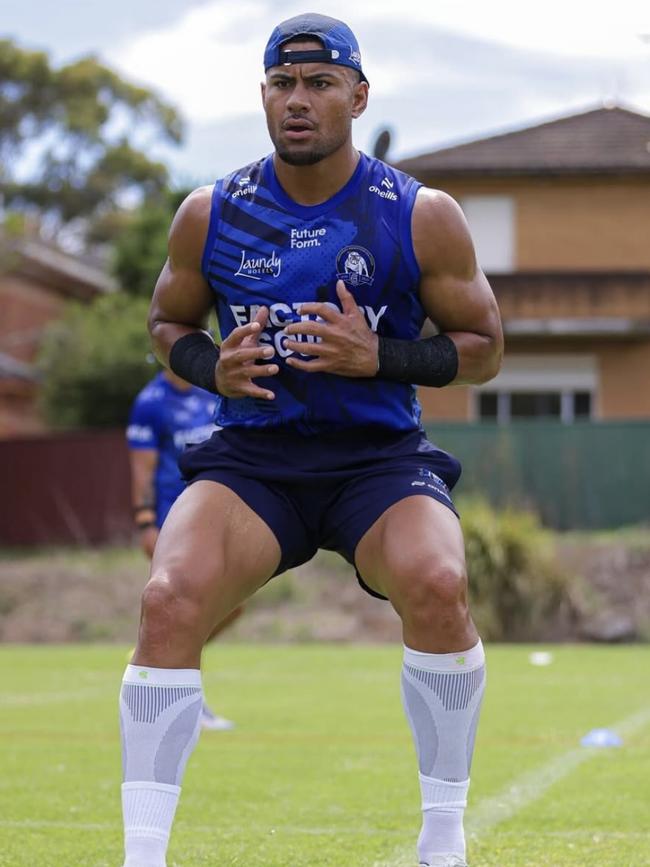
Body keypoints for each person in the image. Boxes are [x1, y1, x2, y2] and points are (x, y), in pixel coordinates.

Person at [118, 12, 503, 867]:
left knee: (440, 583)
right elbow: (165, 321)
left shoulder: (419, 214)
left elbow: (485, 349)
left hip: (378, 462)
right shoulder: (210, 212)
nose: (300, 101)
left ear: (357, 97)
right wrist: (208, 365)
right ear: (263, 95)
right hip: (256, 462)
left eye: (321, 84)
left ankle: (444, 840)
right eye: (284, 84)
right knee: (168, 598)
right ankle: (142, 856)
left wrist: (383, 355)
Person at [126, 367, 242, 730]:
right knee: (188, 608)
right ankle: (180, 703)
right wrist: (146, 521)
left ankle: (150, 657)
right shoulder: (151, 402)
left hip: (213, 517)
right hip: (172, 521)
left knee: (233, 606)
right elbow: (142, 470)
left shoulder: (211, 391)